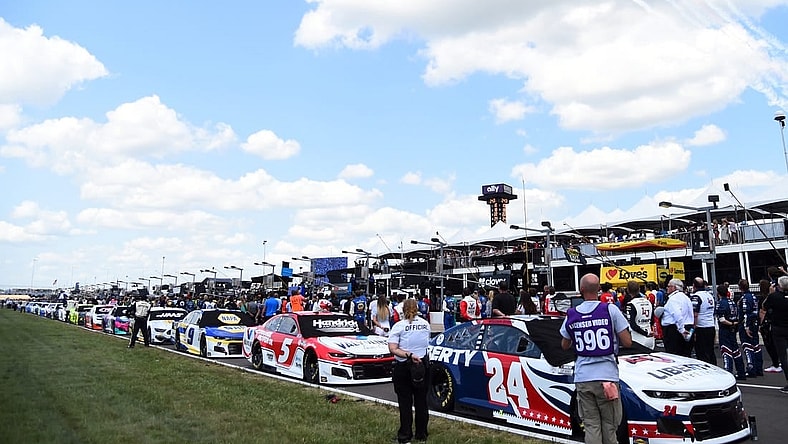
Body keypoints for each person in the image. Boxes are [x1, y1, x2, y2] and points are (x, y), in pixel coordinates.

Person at [560, 273, 632, 444]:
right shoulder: (610, 309)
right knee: (610, 425)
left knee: (591, 425)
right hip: (608, 378)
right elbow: (627, 342)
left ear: (581, 290)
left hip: (584, 377)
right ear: (599, 289)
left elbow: (564, 344)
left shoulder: (572, 314)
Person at [388, 298, 431, 443]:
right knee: (421, 401)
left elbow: (393, 349)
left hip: (405, 365)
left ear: (403, 310)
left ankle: (405, 435)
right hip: (422, 365)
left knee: (405, 402)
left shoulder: (399, 326)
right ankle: (422, 434)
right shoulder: (425, 324)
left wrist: (409, 355)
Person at [760, 275, 788, 392]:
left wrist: (771, 293)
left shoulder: (774, 297)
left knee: (784, 356)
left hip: (779, 328)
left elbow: (764, 306)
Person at [716, 283, 747, 380]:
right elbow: (738, 316)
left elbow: (722, 320)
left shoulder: (720, 303)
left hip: (725, 329)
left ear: (718, 293)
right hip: (733, 329)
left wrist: (731, 324)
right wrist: (735, 324)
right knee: (736, 351)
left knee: (726, 351)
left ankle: (728, 373)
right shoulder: (733, 302)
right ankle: (741, 372)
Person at [660, 279, 694, 357]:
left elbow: (677, 315)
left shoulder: (673, 299)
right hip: (687, 326)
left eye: (668, 286)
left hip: (675, 330)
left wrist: (681, 330)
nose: (667, 288)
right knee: (686, 355)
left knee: (674, 356)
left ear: (674, 287)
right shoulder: (686, 297)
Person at [737, 278, 763, 377]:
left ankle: (751, 369)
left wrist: (746, 327)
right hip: (755, 323)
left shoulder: (745, 298)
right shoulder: (753, 296)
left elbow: (746, 313)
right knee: (756, 345)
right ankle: (758, 369)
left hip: (747, 324)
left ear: (740, 287)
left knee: (747, 346)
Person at [689, 277, 717, 365]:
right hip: (711, 326)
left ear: (694, 286)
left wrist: (693, 329)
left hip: (701, 327)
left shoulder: (696, 297)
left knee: (701, 353)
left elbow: (695, 314)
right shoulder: (710, 296)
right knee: (710, 351)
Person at [759, 279, 782, 373]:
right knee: (775, 344)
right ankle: (778, 362)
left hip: (767, 324)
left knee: (769, 344)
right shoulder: (774, 297)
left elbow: (762, 311)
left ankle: (776, 364)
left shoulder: (764, 299)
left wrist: (761, 324)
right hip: (774, 322)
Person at [625, 280, 654, 350]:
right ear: (639, 289)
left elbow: (632, 324)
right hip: (650, 337)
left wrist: (645, 333)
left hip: (637, 339)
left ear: (628, 290)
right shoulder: (648, 302)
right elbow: (652, 320)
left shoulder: (631, 304)